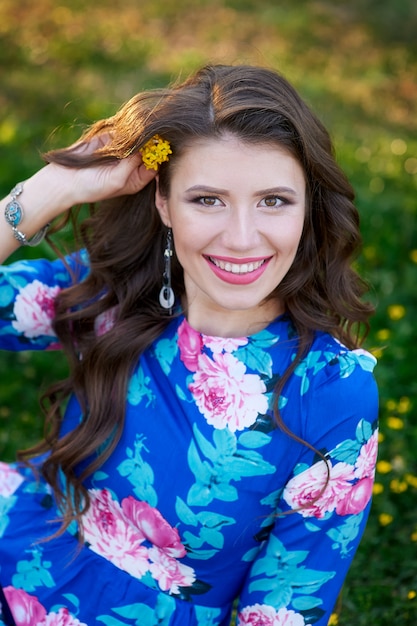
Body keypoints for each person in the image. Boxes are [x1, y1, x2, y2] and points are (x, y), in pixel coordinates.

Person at [0, 64, 378, 626]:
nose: (242, 237)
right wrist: (52, 189)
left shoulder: (330, 393)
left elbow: (283, 608)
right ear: (164, 205)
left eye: (274, 200)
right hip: (21, 537)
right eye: (207, 200)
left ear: (308, 209)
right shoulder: (118, 291)